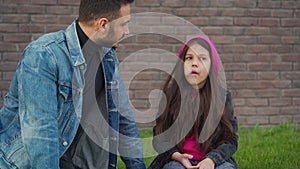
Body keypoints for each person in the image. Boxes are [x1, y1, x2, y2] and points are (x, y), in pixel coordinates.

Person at [0, 0, 146, 169]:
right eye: (124, 24)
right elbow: (40, 133)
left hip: (73, 160)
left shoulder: (107, 56)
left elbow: (123, 119)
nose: (127, 31)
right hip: (22, 163)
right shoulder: (43, 55)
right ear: (103, 24)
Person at [148, 36, 238, 169]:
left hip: (213, 162)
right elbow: (159, 138)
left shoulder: (222, 97)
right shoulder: (170, 95)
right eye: (189, 58)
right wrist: (176, 155)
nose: (194, 63)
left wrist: (212, 160)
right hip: (178, 161)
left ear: (212, 66)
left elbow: (231, 140)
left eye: (202, 58)